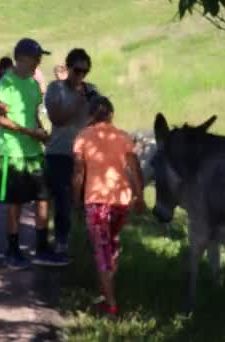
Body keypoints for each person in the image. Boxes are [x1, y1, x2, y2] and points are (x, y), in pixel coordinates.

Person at [0, 37, 67, 269]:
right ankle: (12, 252)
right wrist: (28, 132)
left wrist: (42, 133)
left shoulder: (34, 84)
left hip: (35, 152)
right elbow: (0, 118)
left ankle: (42, 248)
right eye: (36, 58)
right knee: (15, 204)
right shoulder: (6, 83)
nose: (39, 62)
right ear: (23, 58)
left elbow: (35, 115)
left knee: (43, 199)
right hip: (13, 153)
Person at [72, 96, 146, 318]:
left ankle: (112, 306)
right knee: (110, 246)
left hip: (96, 202)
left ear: (91, 115)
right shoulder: (123, 137)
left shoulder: (83, 137)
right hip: (121, 201)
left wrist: (76, 199)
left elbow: (78, 174)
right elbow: (134, 169)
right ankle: (104, 296)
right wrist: (140, 197)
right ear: (111, 115)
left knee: (102, 252)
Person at [44, 48, 99, 256]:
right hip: (60, 153)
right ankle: (61, 241)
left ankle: (89, 244)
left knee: (89, 201)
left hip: (85, 155)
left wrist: (97, 109)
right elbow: (57, 118)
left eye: (85, 72)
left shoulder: (92, 90)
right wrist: (78, 102)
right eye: (77, 71)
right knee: (63, 199)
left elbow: (101, 118)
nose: (81, 76)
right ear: (68, 68)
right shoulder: (55, 88)